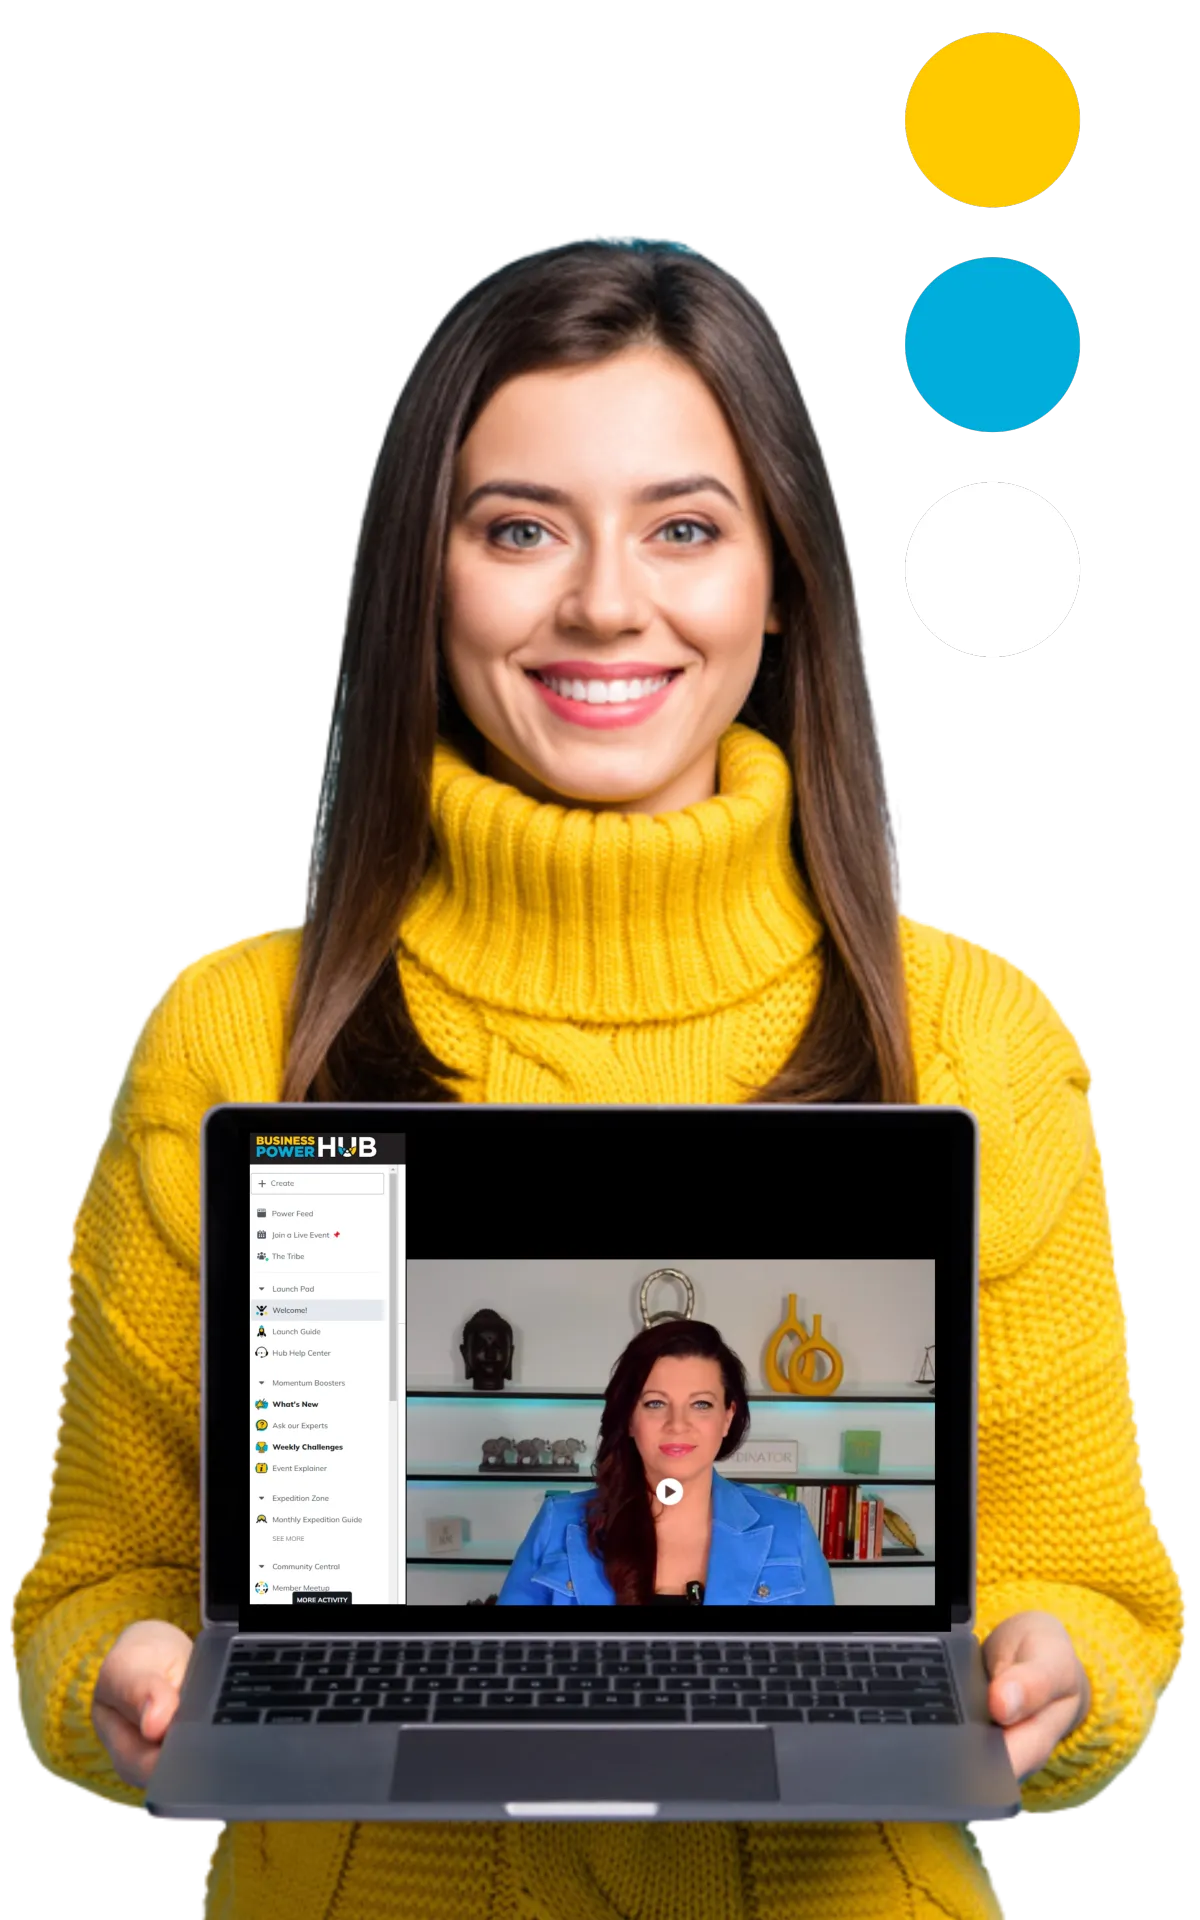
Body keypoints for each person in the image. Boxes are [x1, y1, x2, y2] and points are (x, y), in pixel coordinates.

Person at [10, 234, 1186, 1919]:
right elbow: (93, 1582)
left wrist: (1054, 1676)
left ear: (779, 575)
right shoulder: (227, 1036)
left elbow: (1102, 1598)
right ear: (429, 575)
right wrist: (121, 1673)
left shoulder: (982, 1037)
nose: (606, 603)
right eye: (518, 529)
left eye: (685, 527)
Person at [498, 1320, 835, 1606]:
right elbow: (509, 1661)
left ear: (727, 1418)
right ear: (629, 1418)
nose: (677, 1424)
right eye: (656, 1403)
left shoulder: (789, 1529)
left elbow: (820, 1669)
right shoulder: (558, 1524)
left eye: (701, 1404)